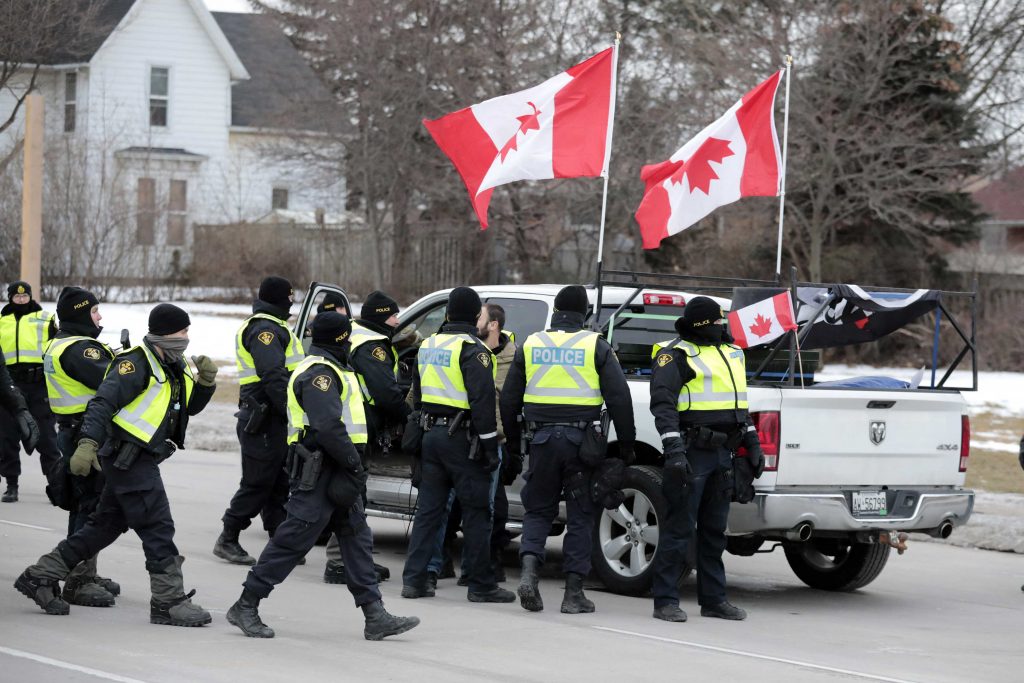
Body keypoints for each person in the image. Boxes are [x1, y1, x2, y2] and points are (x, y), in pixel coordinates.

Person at [14, 304, 219, 626]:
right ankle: (168, 600)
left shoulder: (172, 365)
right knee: (157, 525)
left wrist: (206, 382)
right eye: (183, 332)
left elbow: (184, 407)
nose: (186, 338)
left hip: (142, 456)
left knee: (104, 525)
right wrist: (87, 444)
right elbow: (102, 403)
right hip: (128, 458)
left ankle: (40, 575)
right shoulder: (134, 364)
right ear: (164, 333)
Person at [226, 312, 419, 641]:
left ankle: (375, 615)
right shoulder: (321, 374)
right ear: (341, 339)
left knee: (357, 538)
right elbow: (327, 426)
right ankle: (246, 604)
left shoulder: (335, 369)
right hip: (323, 470)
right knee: (292, 540)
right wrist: (353, 465)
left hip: (338, 468)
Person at [501, 285, 636, 614]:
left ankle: (530, 575)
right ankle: (573, 593)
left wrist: (516, 442)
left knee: (538, 511)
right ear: (585, 314)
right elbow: (619, 398)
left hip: (542, 442)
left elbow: (508, 399)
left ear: (556, 311)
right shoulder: (595, 346)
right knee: (580, 517)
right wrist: (627, 446)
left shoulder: (532, 343)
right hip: (581, 446)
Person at [647, 296, 764, 622]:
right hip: (692, 452)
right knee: (679, 528)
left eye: (720, 321)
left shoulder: (733, 353)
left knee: (715, 531)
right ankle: (665, 600)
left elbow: (740, 403)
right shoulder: (676, 355)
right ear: (699, 323)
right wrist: (673, 451)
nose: (719, 326)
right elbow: (663, 406)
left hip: (723, 454)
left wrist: (752, 441)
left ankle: (714, 600)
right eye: (714, 322)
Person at [401, 287, 514, 604]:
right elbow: (482, 404)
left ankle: (414, 580)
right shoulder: (473, 350)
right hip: (463, 440)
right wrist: (491, 449)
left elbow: (418, 398)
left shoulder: (428, 345)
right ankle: (481, 585)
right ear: (474, 315)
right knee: (477, 512)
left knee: (428, 512)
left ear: (448, 313)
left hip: (432, 437)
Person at [427, 302, 517, 588]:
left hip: (491, 440)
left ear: (493, 325)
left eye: (480, 315)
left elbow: (501, 403)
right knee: (445, 508)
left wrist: (502, 446)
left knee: (486, 509)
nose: (474, 318)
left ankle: (477, 570)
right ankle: (438, 566)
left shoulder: (512, 360)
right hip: (461, 438)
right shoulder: (466, 351)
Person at [215, 276, 304, 565]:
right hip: (264, 416)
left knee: (279, 480)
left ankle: (279, 540)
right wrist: (293, 411)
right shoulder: (265, 329)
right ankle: (228, 538)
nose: (292, 302)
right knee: (258, 481)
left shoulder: (274, 327)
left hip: (270, 416)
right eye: (290, 297)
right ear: (280, 298)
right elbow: (273, 376)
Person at [41, 287, 120, 607]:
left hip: (74, 430)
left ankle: (84, 568)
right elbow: (114, 384)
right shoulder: (81, 350)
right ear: (79, 313)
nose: (99, 316)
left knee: (87, 504)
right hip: (86, 434)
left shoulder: (60, 343)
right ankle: (78, 578)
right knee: (91, 507)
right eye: (94, 311)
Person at [323, 290, 408, 585]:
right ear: (383, 317)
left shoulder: (356, 335)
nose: (399, 320)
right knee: (351, 495)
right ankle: (340, 562)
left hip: (350, 425)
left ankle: (351, 560)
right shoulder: (373, 346)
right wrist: (408, 414)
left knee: (351, 495)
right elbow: (385, 393)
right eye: (395, 315)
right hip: (356, 427)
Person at [0, 281, 59, 501]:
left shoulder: (45, 318)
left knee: (46, 437)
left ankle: (56, 486)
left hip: (38, 385)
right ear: (10, 298)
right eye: (17, 297)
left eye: (25, 297)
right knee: (7, 438)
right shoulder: (1, 321)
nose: (22, 300)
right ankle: (11, 485)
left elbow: (58, 347)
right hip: (8, 386)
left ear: (31, 297)